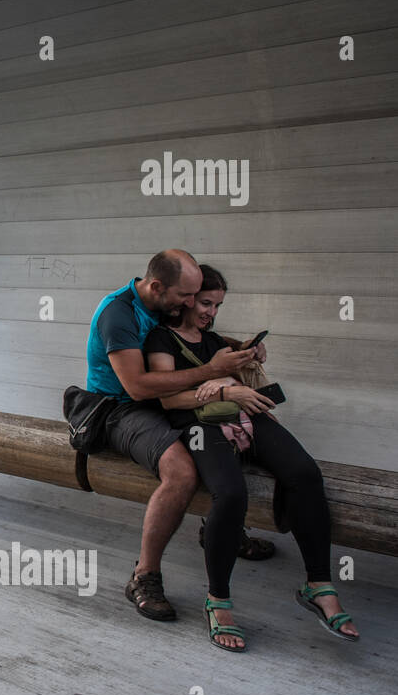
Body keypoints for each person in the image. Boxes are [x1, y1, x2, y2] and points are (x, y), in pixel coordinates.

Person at [143, 265, 358, 650]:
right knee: (231, 493)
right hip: (198, 425)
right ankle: (218, 600)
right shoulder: (161, 340)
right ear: (187, 299)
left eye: (218, 305)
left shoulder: (212, 342)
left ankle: (318, 585)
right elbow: (167, 399)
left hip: (244, 415)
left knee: (305, 473)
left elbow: (231, 369)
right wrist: (226, 392)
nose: (211, 311)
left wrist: (251, 354)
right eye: (206, 302)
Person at [86, 249, 259, 621]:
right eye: (186, 296)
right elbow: (137, 387)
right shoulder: (119, 314)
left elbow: (183, 336)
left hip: (159, 403)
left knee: (231, 431)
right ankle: (143, 575)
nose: (191, 303)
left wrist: (240, 350)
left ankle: (221, 528)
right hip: (121, 409)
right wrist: (212, 370)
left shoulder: (161, 303)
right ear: (157, 286)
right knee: (181, 471)